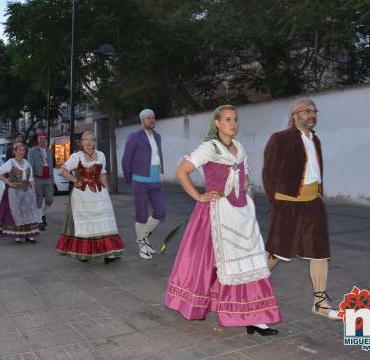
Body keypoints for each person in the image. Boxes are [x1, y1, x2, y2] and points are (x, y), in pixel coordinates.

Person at [165, 105, 281, 336]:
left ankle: (255, 317)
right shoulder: (209, 148)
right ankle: (201, 305)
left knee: (248, 263)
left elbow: (244, 174)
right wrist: (199, 196)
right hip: (214, 215)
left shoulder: (239, 147)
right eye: (227, 119)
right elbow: (181, 170)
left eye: (235, 119)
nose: (233, 123)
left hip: (240, 215)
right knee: (207, 265)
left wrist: (247, 189)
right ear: (217, 122)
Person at [263, 98, 340, 320]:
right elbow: (269, 174)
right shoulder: (280, 139)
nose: (312, 114)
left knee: (320, 253)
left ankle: (320, 302)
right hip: (288, 204)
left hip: (314, 203)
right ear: (295, 114)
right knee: (277, 252)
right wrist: (276, 204)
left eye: (314, 111)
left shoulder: (316, 140)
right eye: (307, 111)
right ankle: (248, 291)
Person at [56, 132, 124, 263]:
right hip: (82, 195)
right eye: (85, 140)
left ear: (94, 142)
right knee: (86, 223)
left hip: (99, 193)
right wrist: (75, 180)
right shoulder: (77, 156)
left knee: (104, 222)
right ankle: (84, 252)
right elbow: (63, 170)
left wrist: (107, 190)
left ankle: (109, 253)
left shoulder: (101, 155)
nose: (88, 142)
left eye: (91, 140)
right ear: (81, 142)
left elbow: (102, 174)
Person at [121, 109, 166, 259]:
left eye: (153, 117)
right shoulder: (134, 137)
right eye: (148, 118)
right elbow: (126, 160)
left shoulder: (158, 136)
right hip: (140, 180)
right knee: (141, 214)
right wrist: (130, 179)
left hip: (155, 180)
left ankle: (143, 236)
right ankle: (142, 246)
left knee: (160, 211)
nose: (152, 120)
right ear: (142, 120)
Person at [0, 143, 40, 243]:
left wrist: (33, 186)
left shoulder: (27, 163)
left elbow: (30, 178)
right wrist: (8, 182)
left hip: (27, 192)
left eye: (23, 150)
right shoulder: (10, 162)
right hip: (14, 192)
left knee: (28, 212)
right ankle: (17, 235)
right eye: (20, 150)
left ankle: (29, 235)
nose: (22, 152)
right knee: (16, 213)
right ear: (14, 151)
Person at [27, 131, 53, 230]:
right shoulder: (32, 151)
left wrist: (52, 179)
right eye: (40, 139)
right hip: (38, 178)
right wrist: (31, 179)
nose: (42, 140)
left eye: (44, 139)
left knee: (50, 200)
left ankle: (42, 214)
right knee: (38, 200)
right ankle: (40, 221)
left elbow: (51, 165)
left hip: (48, 178)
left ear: (46, 140)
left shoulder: (49, 150)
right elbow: (30, 165)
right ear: (37, 140)